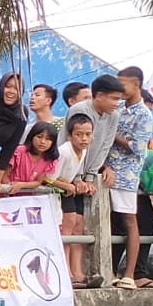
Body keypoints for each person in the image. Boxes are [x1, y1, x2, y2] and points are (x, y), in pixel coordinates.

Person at [106, 66, 152, 290]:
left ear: (136, 85)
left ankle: (130, 274)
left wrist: (112, 135)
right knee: (110, 223)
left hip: (126, 176)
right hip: (107, 173)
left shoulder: (144, 115)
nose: (119, 88)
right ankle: (110, 270)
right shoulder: (118, 109)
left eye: (123, 84)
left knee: (129, 222)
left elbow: (137, 148)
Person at [50, 112, 99, 288]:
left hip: (67, 189)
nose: (84, 139)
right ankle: (66, 272)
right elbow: (48, 178)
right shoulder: (64, 152)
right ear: (70, 135)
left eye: (88, 134)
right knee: (66, 228)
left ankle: (76, 272)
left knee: (75, 226)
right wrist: (67, 186)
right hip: (56, 191)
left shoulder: (83, 151)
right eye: (79, 134)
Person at [58, 74, 124, 185]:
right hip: (65, 173)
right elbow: (73, 145)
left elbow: (105, 146)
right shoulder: (80, 109)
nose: (116, 104)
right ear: (99, 95)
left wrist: (90, 177)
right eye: (114, 99)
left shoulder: (114, 116)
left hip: (86, 177)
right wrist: (77, 178)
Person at [0, 122, 59, 193]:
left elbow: (38, 182)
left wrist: (21, 185)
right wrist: (10, 187)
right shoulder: (19, 151)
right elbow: (3, 176)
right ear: (31, 137)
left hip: (26, 197)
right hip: (7, 192)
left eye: (48, 139)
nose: (42, 142)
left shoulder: (49, 159)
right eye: (39, 137)